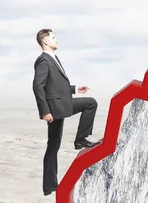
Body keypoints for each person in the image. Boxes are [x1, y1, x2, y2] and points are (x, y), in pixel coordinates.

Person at [32, 28, 101, 196]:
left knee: (53, 146)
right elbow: (38, 86)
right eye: (53, 37)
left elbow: (56, 86)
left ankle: (49, 186)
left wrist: (76, 88)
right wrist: (45, 111)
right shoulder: (43, 60)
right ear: (45, 41)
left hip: (61, 103)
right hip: (55, 108)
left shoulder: (53, 59)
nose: (57, 40)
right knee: (91, 104)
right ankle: (81, 139)